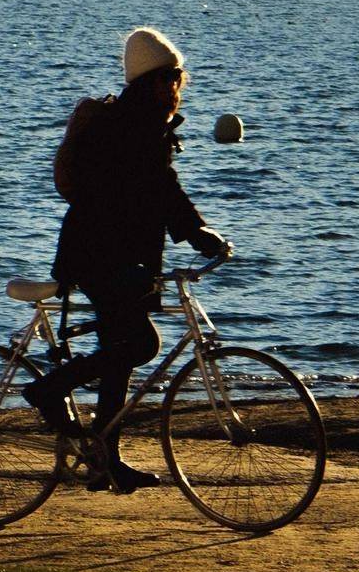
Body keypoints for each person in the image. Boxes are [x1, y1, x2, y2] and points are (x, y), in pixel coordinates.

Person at [23, 26, 227, 493]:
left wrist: (187, 231)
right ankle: (48, 390)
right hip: (102, 256)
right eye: (171, 78)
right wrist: (196, 232)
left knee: (120, 355)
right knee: (139, 346)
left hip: (114, 255)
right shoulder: (136, 125)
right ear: (152, 81)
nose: (177, 88)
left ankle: (105, 458)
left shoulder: (138, 121)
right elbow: (159, 187)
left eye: (179, 78)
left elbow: (151, 191)